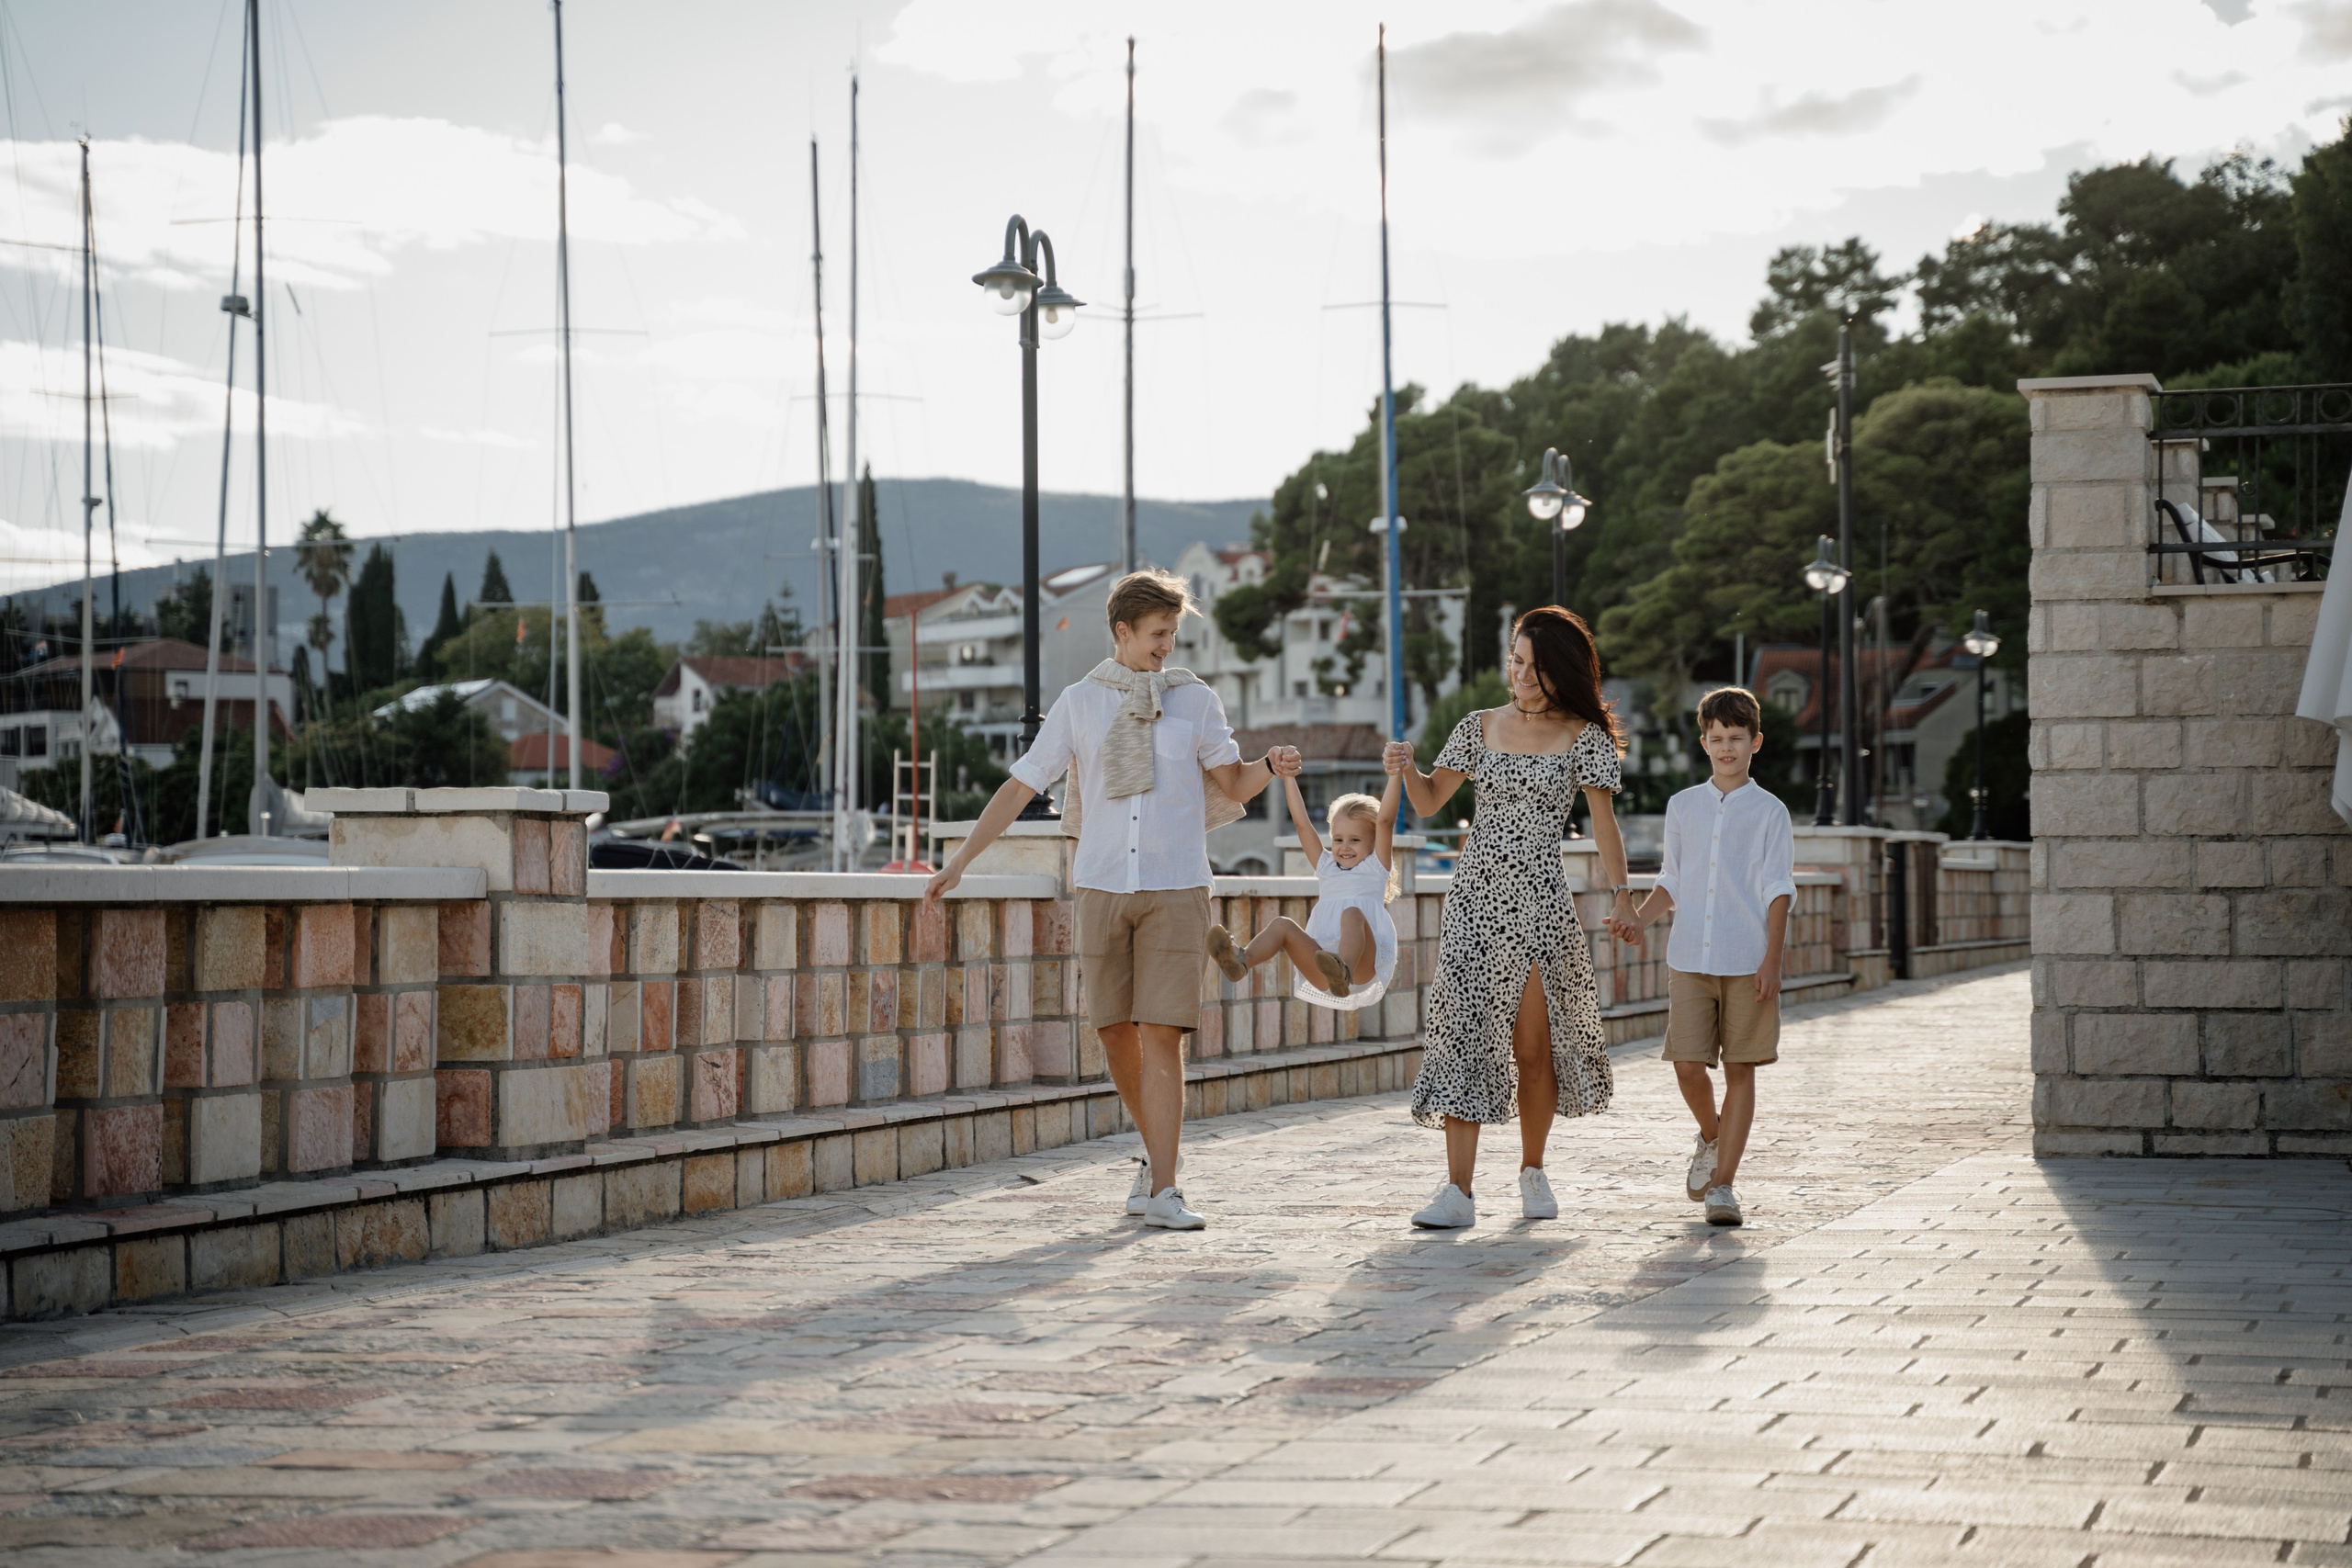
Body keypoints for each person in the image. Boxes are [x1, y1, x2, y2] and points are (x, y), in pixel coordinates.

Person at [923, 569, 1292, 1232]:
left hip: (1176, 885)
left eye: (1172, 635)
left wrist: (1268, 766)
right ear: (1122, 631)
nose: (1165, 648)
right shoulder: (1079, 702)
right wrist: (960, 861)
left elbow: (1232, 781)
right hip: (1099, 883)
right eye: (1156, 635)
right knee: (1114, 1032)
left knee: (1162, 1033)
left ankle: (1168, 1188)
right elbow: (1020, 785)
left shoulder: (1195, 700)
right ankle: (1155, 1156)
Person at [1386, 606, 1632, 1229]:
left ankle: (1532, 1169)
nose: (1519, 675)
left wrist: (1624, 894)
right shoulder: (1478, 725)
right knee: (1464, 1033)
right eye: (1515, 661)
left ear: (1561, 670)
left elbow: (1604, 824)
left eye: (1533, 665)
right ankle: (1457, 1192)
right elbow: (1429, 798)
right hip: (1474, 899)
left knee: (1532, 1046)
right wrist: (1405, 767)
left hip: (1540, 900)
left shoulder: (1586, 736)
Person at [1611, 686, 1794, 1228]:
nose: (1727, 748)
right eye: (1717, 739)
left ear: (1755, 742)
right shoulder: (1682, 805)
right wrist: (1638, 919)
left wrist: (1773, 962)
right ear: (1703, 742)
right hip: (1690, 955)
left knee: (1741, 1069)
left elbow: (1778, 890)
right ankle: (1713, 1139)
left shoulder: (1770, 812)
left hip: (1747, 957)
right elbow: (1673, 880)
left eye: (1737, 738)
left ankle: (1724, 1188)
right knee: (1687, 1066)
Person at [1206, 769, 1400, 1010]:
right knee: (1281, 924)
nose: (1345, 847)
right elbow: (1302, 825)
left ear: (1374, 843)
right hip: (1321, 966)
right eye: (1338, 839)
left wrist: (1396, 773)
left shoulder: (1376, 867)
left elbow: (1385, 821)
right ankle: (1241, 961)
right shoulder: (1327, 866)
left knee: (1352, 913)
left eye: (1355, 840)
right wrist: (1288, 777)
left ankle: (1343, 970)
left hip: (1361, 969)